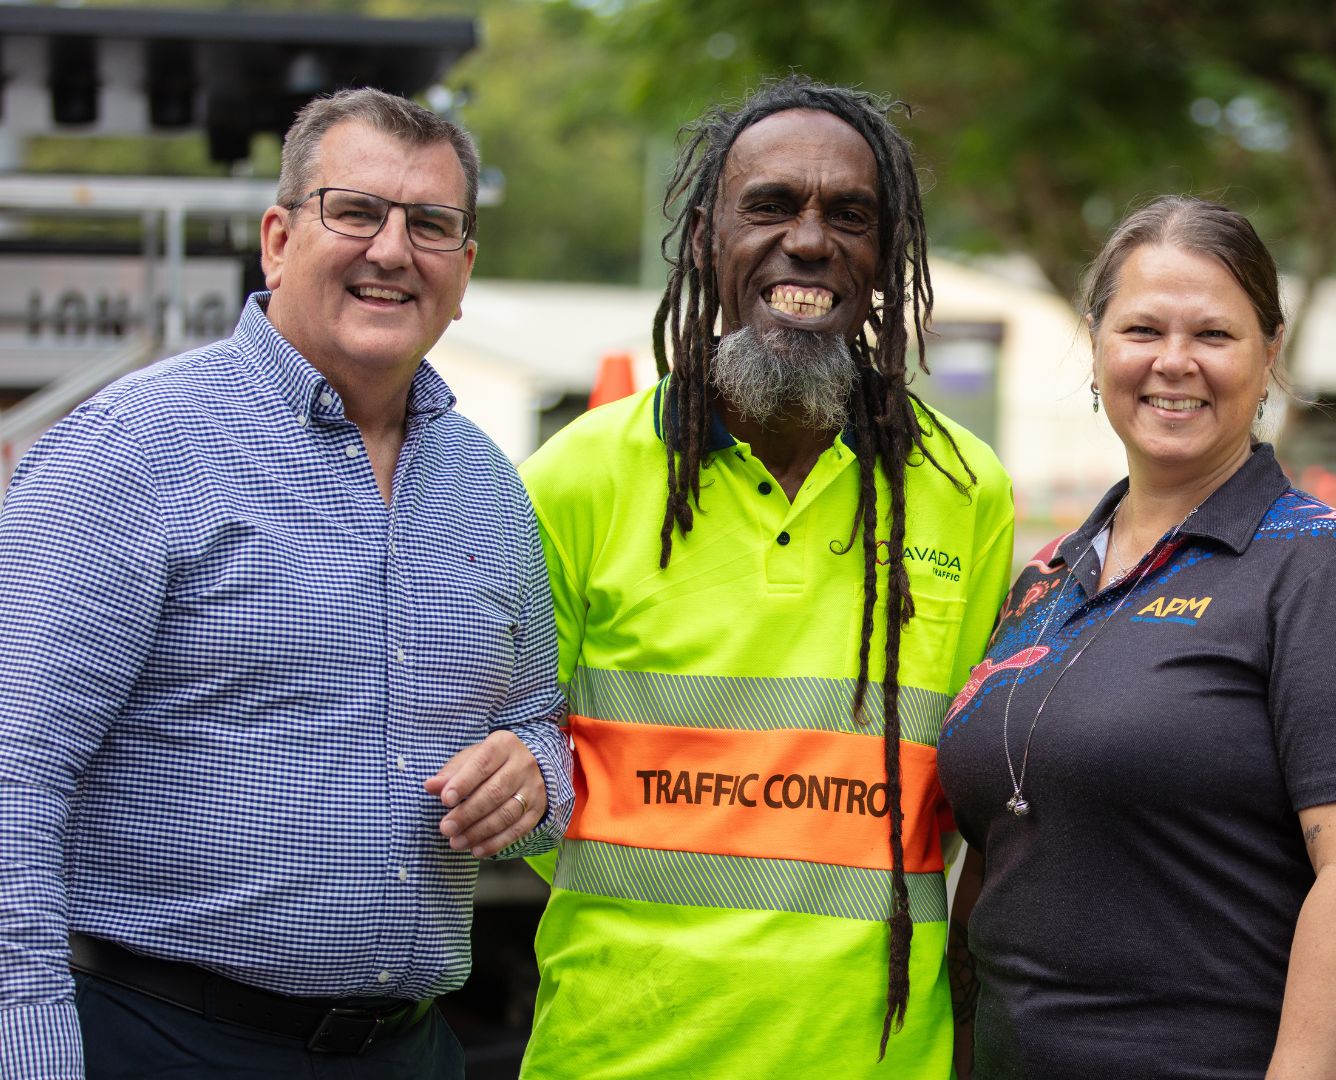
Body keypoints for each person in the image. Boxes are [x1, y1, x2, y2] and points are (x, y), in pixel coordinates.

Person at [0, 88, 572, 1079]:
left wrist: (534, 774)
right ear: (277, 238)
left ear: (465, 268)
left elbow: (537, 726)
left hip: (410, 1052)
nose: (392, 250)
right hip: (160, 1040)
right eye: (355, 211)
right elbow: (14, 777)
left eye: (432, 224)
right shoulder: (134, 450)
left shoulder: (490, 491)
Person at [515, 75, 1015, 1079]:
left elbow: (972, 802)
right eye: (772, 205)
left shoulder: (969, 492)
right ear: (705, 238)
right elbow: (517, 780)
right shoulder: (575, 478)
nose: (811, 240)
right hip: (615, 1055)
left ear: (888, 256)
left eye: (852, 215)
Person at [937, 196, 1336, 1080]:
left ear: (1269, 353)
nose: (1175, 362)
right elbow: (1000, 853)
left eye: (1214, 334)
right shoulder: (1044, 580)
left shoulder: (1325, 572)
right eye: (1141, 329)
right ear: (1095, 344)